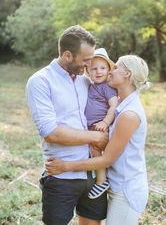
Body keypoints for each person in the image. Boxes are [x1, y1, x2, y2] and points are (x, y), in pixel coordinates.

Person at [46, 54, 151, 225]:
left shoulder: (129, 114)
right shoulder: (120, 104)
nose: (110, 72)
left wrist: (65, 166)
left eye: (115, 68)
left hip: (125, 190)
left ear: (127, 74)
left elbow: (107, 158)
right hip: (115, 185)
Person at [26, 25, 108, 225]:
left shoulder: (85, 81)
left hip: (92, 173)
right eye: (86, 60)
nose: (89, 65)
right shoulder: (40, 81)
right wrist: (96, 137)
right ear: (68, 55)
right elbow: (50, 132)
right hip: (61, 175)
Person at [85, 48, 118, 199]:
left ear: (109, 70)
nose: (98, 72)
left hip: (101, 127)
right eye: (94, 69)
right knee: (94, 149)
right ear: (88, 72)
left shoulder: (107, 87)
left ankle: (101, 180)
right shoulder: (91, 86)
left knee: (96, 148)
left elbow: (114, 105)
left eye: (102, 68)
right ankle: (100, 175)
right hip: (93, 128)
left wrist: (105, 122)